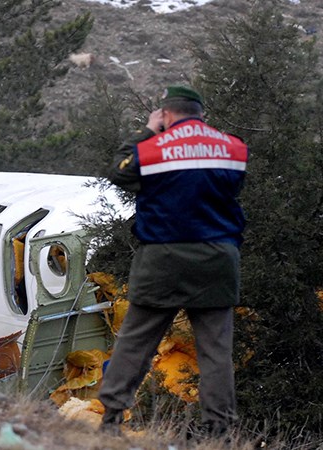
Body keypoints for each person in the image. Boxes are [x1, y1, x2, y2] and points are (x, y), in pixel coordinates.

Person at [98, 86, 248, 437]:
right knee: (215, 350)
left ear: (166, 114)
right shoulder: (233, 147)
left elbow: (120, 173)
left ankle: (111, 420)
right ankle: (219, 430)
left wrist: (148, 132)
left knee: (136, 341)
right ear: (200, 114)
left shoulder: (153, 149)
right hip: (217, 256)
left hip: (162, 256)